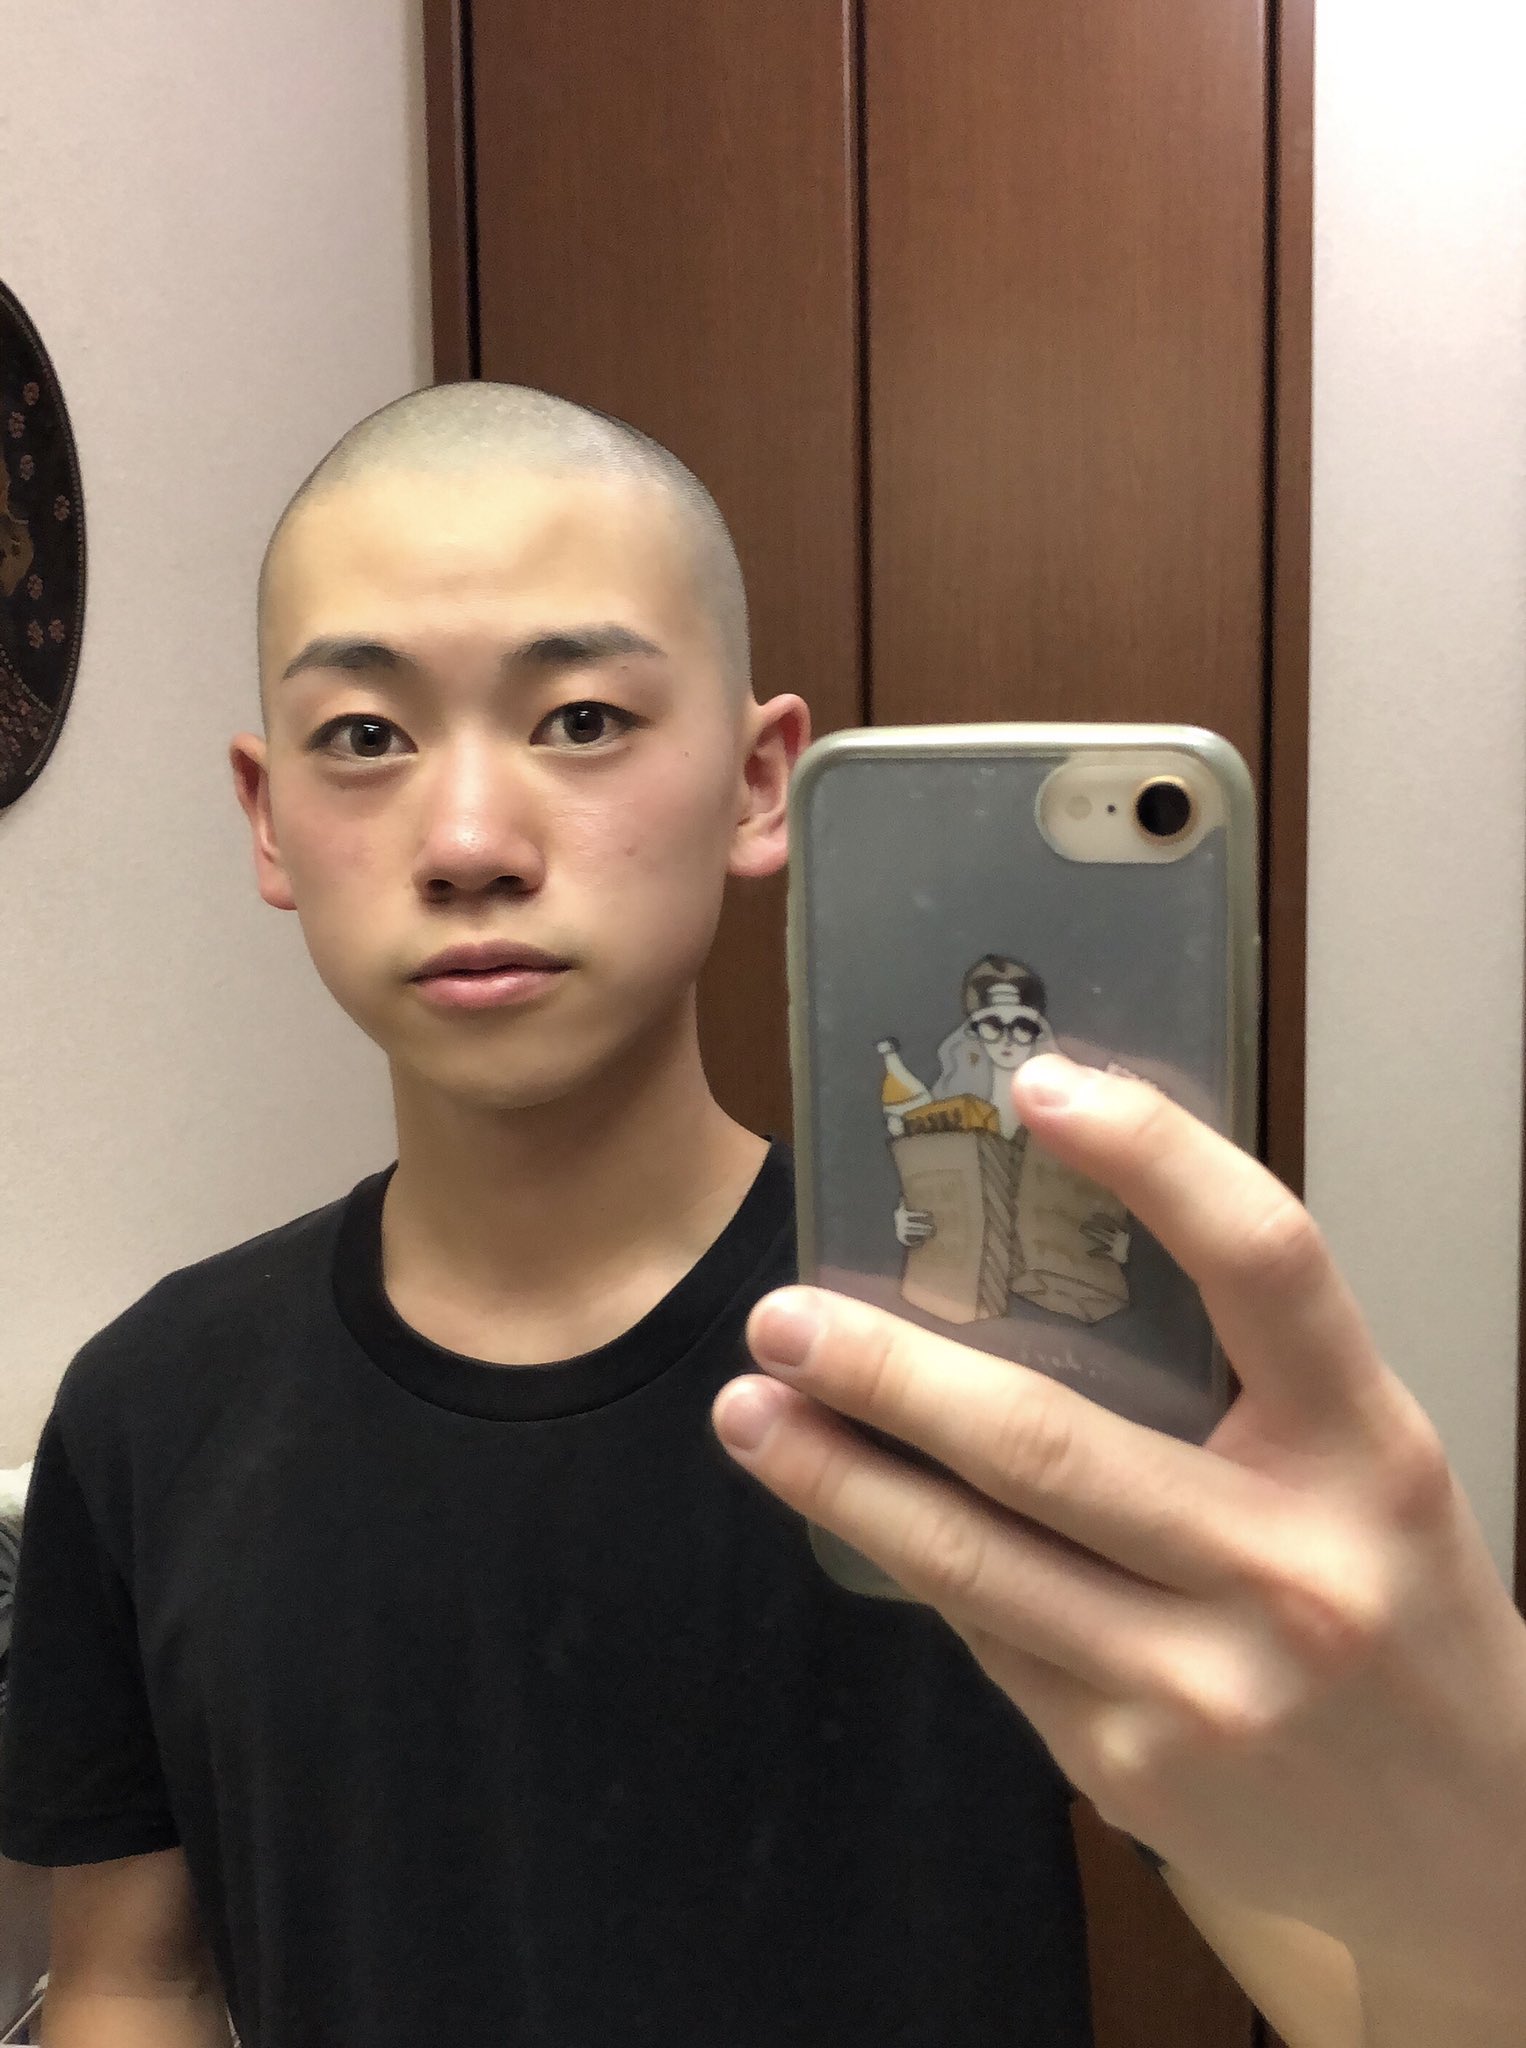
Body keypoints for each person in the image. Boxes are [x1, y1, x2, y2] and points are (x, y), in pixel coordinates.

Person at [1, 385, 1522, 2048]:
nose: (467, 842)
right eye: (365, 737)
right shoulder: (150, 1409)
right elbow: (131, 1975)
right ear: (266, 814)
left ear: (754, 782)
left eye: (580, 718)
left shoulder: (985, 1364)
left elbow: (1372, 2004)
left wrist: (1472, 1826)